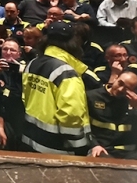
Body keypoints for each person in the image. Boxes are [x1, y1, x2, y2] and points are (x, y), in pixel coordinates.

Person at [22, 21, 91, 155]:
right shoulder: (66, 72)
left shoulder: (32, 64)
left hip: (31, 138)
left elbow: (26, 97)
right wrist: (77, 144)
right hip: (58, 147)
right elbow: (71, 113)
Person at [87, 71, 137, 160]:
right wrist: (94, 145)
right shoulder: (92, 97)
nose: (121, 89)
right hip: (102, 149)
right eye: (120, 83)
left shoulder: (133, 102)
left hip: (128, 152)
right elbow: (84, 126)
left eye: (127, 89)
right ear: (115, 78)